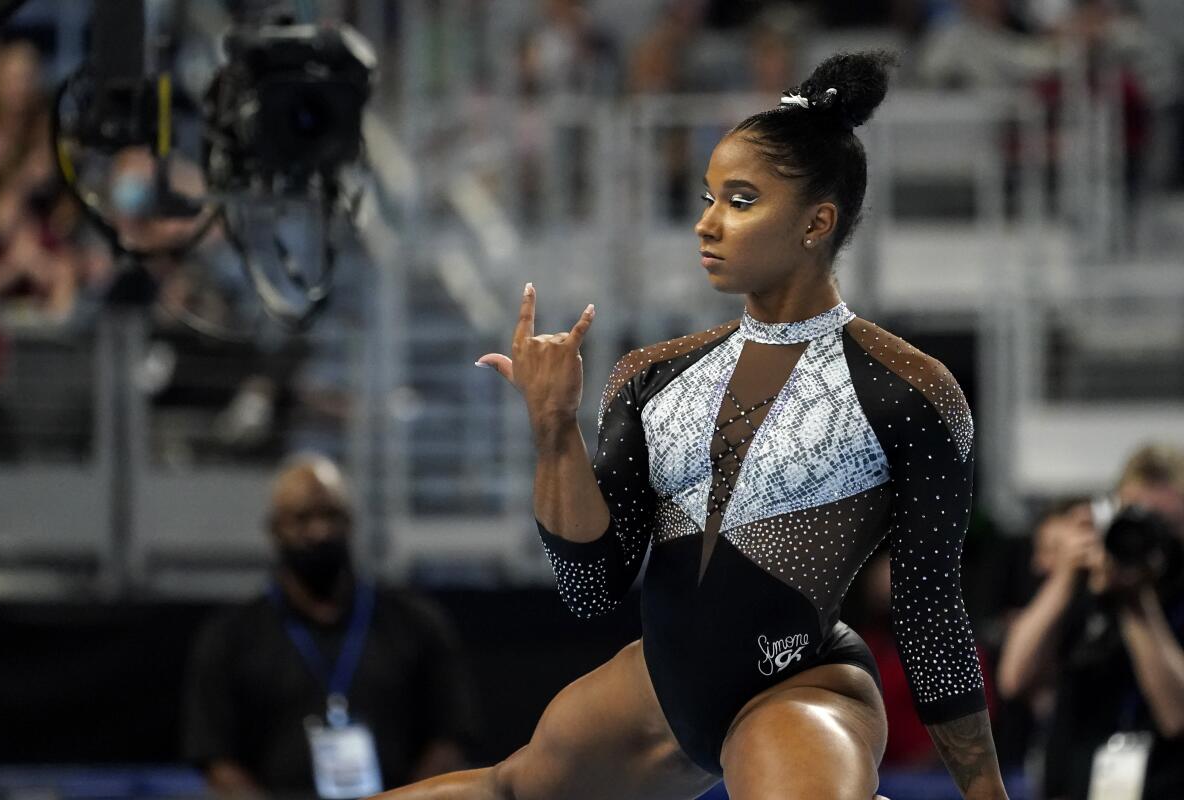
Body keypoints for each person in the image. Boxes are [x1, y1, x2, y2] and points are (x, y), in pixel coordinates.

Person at [372, 51, 1009, 800]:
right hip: (663, 689)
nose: (705, 222)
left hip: (800, 687)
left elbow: (929, 612)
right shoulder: (652, 376)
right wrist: (554, 431)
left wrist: (987, 792)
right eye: (708, 197)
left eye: (739, 201)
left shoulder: (909, 390)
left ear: (817, 222)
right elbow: (591, 585)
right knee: (511, 789)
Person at [183, 455, 479, 798]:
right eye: (302, 518)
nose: (320, 531)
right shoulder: (230, 637)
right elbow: (217, 759)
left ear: (350, 523)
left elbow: (450, 737)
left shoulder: (416, 624)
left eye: (331, 516)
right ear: (275, 528)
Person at [997, 444, 1184, 799]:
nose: (1148, 535)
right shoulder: (1086, 588)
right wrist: (1065, 577)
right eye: (1136, 518)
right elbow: (1014, 679)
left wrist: (1136, 601)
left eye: (1167, 524)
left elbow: (1177, 717)